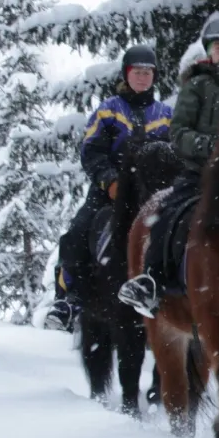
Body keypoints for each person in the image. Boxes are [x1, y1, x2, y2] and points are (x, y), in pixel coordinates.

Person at [116, 13, 219, 317]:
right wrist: (213, 148)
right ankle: (152, 279)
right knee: (168, 212)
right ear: (209, 51)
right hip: (201, 173)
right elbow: (179, 131)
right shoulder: (196, 85)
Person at [42, 44, 172, 332]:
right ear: (127, 75)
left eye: (148, 73)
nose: (142, 77)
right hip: (110, 189)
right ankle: (68, 300)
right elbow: (91, 150)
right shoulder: (108, 110)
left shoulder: (166, 114)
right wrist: (110, 180)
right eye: (137, 72)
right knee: (78, 232)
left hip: (153, 192)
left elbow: (175, 155)